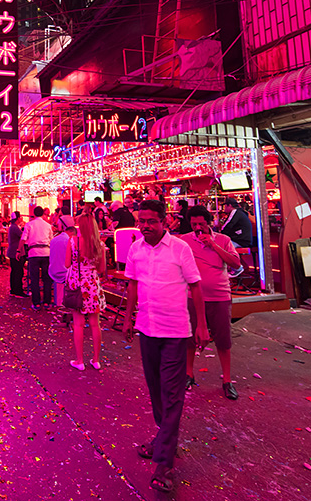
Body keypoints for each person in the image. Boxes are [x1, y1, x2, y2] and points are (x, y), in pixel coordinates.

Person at [121, 200, 209, 493]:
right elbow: (132, 284)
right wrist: (127, 317)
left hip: (175, 333)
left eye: (151, 221)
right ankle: (164, 438)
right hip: (147, 329)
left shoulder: (180, 249)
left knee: (172, 395)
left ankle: (164, 463)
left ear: (164, 222)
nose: (145, 226)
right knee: (156, 390)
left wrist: (202, 325)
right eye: (141, 221)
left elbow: (195, 285)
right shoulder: (135, 249)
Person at [180, 205, 242, 400]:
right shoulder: (185, 241)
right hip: (192, 297)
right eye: (194, 224)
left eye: (201, 223)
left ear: (209, 223)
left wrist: (213, 245)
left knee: (223, 340)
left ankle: (227, 380)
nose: (198, 227)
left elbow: (236, 264)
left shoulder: (223, 240)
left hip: (220, 296)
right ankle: (189, 374)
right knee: (190, 338)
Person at [66, 213, 107, 370]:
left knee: (78, 324)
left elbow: (67, 263)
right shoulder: (99, 244)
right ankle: (96, 360)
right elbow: (102, 269)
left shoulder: (73, 241)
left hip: (77, 284)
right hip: (92, 284)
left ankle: (80, 361)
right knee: (95, 324)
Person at [21, 206, 53, 309]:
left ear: (34, 214)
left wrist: (19, 250)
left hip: (33, 253)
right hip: (46, 252)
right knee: (46, 278)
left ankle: (37, 302)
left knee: (34, 279)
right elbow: (51, 240)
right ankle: (47, 302)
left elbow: (24, 238)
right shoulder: (48, 225)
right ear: (43, 214)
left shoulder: (29, 225)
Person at [49, 215, 75, 309]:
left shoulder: (54, 240)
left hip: (53, 271)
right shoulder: (71, 241)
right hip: (67, 273)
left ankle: (59, 302)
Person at [7, 213, 27, 297]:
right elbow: (23, 236)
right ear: (18, 218)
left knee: (14, 271)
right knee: (18, 271)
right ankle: (18, 290)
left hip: (12, 251)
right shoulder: (15, 227)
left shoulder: (12, 227)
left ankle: (14, 290)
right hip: (16, 252)